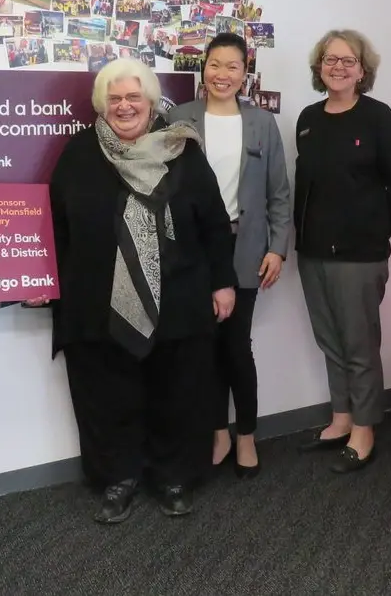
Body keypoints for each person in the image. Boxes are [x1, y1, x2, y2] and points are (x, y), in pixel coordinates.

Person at [49, 58, 237, 523]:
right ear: (101, 105)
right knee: (108, 393)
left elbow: (214, 222)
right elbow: (55, 228)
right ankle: (119, 478)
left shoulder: (181, 152)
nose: (124, 106)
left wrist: (222, 281)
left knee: (178, 389)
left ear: (153, 104)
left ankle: (173, 476)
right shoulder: (78, 154)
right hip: (98, 301)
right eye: (114, 99)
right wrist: (45, 282)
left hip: (179, 296)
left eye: (134, 97)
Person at [167, 32, 291, 478]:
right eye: (215, 65)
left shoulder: (261, 123)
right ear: (203, 69)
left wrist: (278, 249)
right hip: (192, 249)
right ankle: (217, 431)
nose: (223, 74)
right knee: (204, 348)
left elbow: (279, 193)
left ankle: (246, 436)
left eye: (233, 67)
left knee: (237, 345)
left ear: (245, 74)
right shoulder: (179, 118)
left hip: (245, 249)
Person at [293, 29, 391, 474]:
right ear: (318, 67)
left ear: (363, 70)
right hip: (312, 251)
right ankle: (340, 418)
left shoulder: (379, 118)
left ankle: (365, 428)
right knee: (331, 341)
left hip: (358, 255)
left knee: (360, 344)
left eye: (347, 60)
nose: (338, 67)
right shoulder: (308, 118)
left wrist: (378, 227)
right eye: (329, 59)